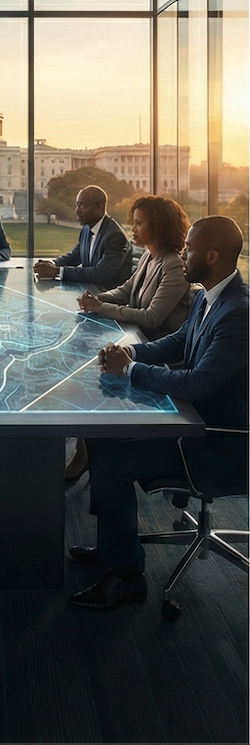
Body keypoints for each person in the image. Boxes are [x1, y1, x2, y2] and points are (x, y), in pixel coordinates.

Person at [68, 215, 248, 612]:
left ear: (212, 255)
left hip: (218, 442)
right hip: (192, 420)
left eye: (189, 248)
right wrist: (130, 352)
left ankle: (127, 578)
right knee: (100, 434)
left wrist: (130, 371)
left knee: (113, 463)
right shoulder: (208, 294)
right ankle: (114, 546)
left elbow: (199, 383)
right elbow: (178, 342)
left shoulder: (239, 312)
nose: (183, 253)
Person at [77, 195, 191, 341]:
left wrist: (100, 307)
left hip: (156, 347)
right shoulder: (148, 256)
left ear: (159, 227)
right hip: (136, 336)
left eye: (139, 223)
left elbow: (151, 317)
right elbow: (125, 291)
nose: (133, 229)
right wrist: (96, 299)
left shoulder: (174, 265)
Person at [33, 185, 132, 289]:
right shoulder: (86, 229)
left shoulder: (115, 236)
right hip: (89, 293)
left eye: (83, 205)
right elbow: (75, 256)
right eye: (77, 205)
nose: (77, 210)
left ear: (100, 207)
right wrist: (52, 264)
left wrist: (57, 271)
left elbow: (102, 273)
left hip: (108, 298)